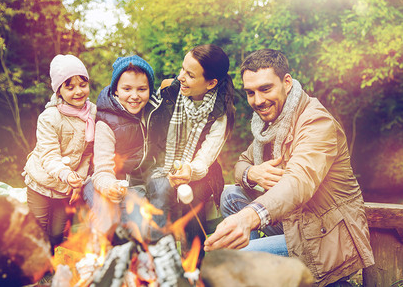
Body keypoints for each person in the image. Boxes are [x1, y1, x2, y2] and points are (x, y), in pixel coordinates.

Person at [204, 49, 374, 287]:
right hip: (293, 222)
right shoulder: (271, 123)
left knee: (232, 261)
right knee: (231, 195)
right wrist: (251, 173)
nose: (258, 100)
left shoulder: (316, 122)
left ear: (287, 82)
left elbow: (298, 183)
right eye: (250, 93)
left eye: (265, 89)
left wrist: (249, 217)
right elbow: (242, 161)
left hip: (322, 234)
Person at [146, 44, 235, 252]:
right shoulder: (170, 90)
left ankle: (193, 261)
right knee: (157, 189)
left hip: (200, 173)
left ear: (210, 83)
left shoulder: (220, 112)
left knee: (193, 194)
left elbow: (205, 158)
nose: (181, 77)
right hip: (162, 164)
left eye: (190, 75)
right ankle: (159, 257)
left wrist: (189, 171)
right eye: (182, 69)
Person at [23, 54, 96, 250]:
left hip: (66, 187)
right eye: (69, 87)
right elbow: (49, 156)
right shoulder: (50, 117)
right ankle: (35, 267)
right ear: (59, 91)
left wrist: (77, 182)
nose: (78, 91)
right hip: (42, 181)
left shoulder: (92, 114)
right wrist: (66, 174)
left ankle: (54, 264)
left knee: (57, 232)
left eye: (82, 84)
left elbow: (87, 154)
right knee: (38, 228)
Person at [83, 55, 161, 240]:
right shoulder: (106, 122)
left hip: (134, 186)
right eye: (127, 89)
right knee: (107, 226)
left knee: (140, 231)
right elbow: (101, 170)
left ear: (149, 90)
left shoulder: (153, 113)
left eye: (142, 89)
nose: (134, 95)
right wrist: (110, 186)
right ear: (115, 90)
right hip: (103, 183)